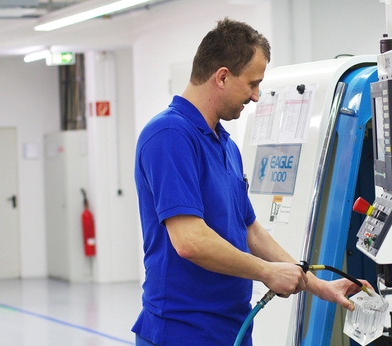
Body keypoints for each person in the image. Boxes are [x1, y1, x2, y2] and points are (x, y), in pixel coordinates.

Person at [133, 18, 371, 346]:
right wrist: (266, 272)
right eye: (252, 84)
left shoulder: (225, 145)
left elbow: (250, 231)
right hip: (182, 331)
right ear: (222, 76)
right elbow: (189, 240)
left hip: (231, 328)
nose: (256, 96)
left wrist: (319, 286)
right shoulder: (169, 136)